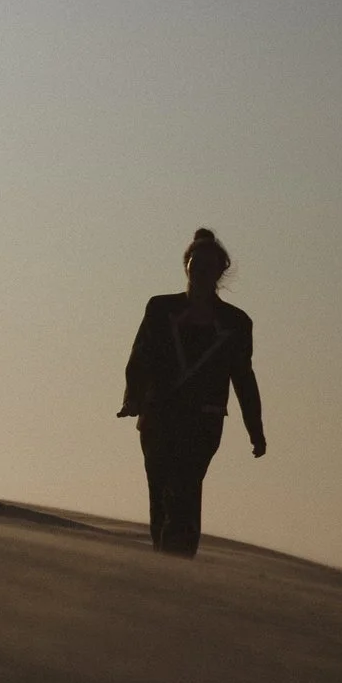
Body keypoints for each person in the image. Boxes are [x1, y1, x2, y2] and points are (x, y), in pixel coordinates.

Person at [116, 228, 265, 556]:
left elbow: (243, 377)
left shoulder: (236, 323)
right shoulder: (159, 309)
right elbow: (140, 357)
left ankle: (179, 563)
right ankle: (165, 568)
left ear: (220, 270)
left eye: (208, 267)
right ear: (186, 266)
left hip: (202, 421)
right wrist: (133, 397)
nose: (200, 272)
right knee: (159, 493)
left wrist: (255, 430)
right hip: (158, 416)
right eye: (196, 265)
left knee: (184, 489)